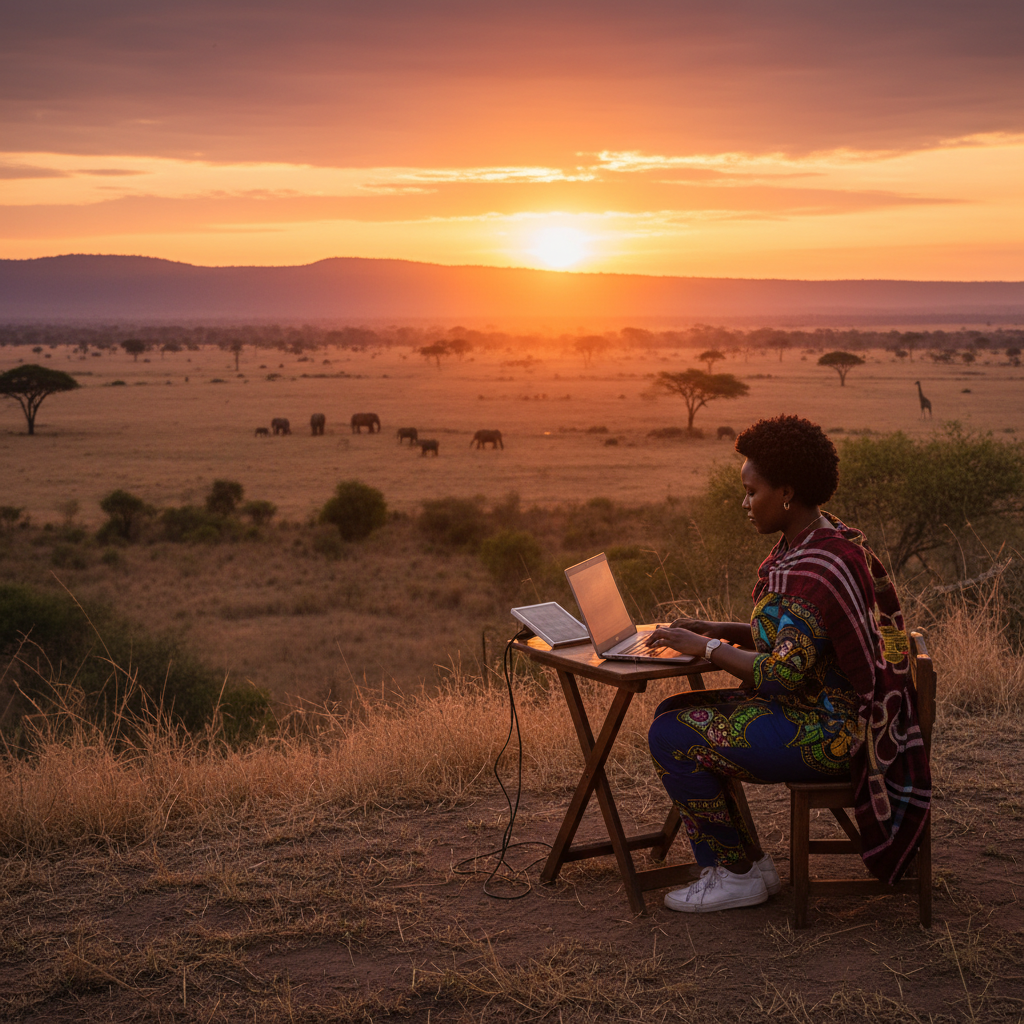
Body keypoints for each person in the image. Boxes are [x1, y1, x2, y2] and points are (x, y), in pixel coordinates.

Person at [645, 414, 931, 913]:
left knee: (671, 735)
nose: (745, 503)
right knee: (671, 713)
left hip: (831, 732)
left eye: (751, 492)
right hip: (825, 711)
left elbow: (781, 675)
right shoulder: (823, 544)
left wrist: (706, 650)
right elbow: (796, 639)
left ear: (787, 493)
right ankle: (750, 866)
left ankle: (733, 874)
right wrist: (718, 629)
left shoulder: (813, 570)